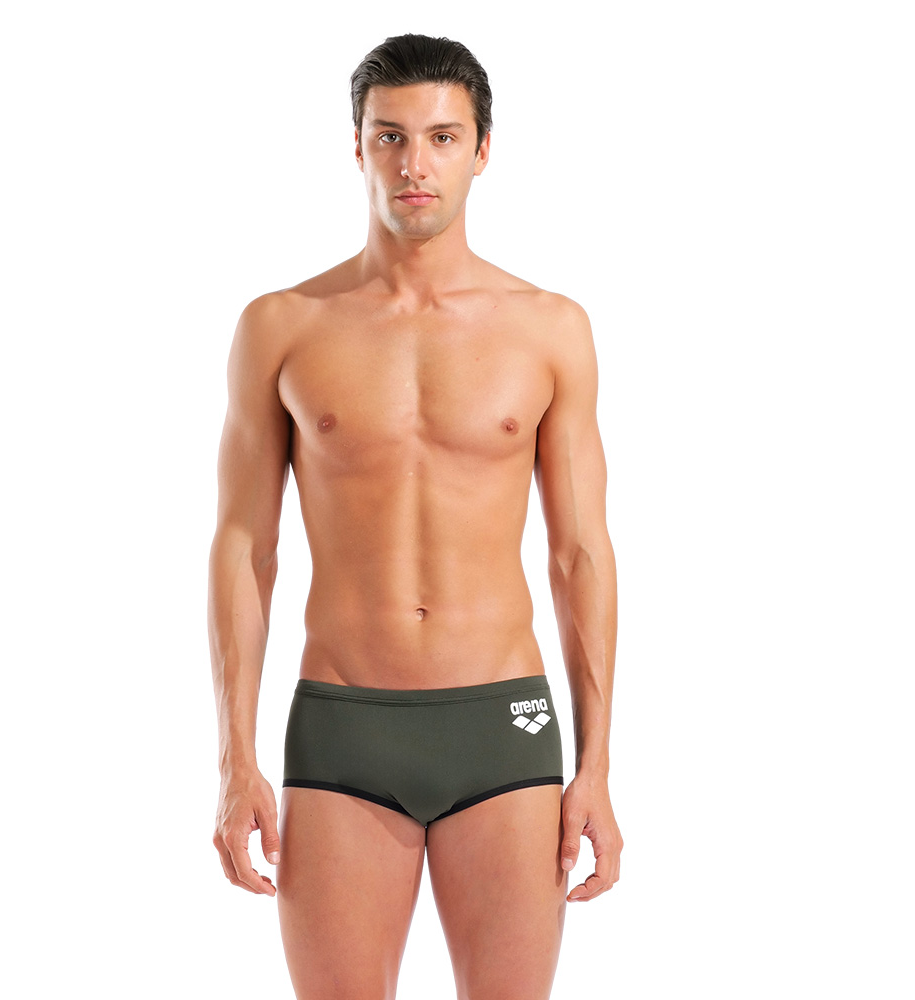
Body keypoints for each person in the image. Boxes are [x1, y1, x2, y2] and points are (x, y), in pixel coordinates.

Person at [208, 33, 622, 999]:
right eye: (390, 136)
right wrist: (234, 760)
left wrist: (597, 766)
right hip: (342, 727)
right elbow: (244, 548)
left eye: (442, 137)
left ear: (484, 150)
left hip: (504, 725)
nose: (414, 164)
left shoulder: (550, 329)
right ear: (356, 146)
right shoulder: (282, 326)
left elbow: (580, 555)